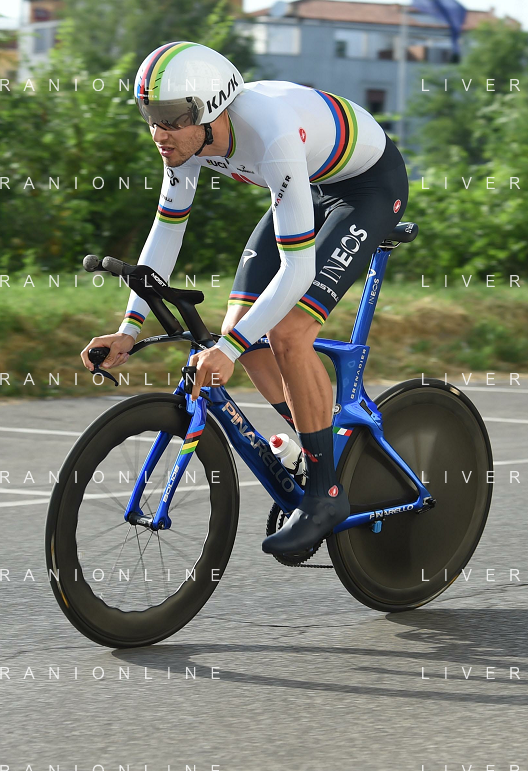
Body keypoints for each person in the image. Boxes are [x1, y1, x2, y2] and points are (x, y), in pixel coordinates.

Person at [80, 41, 409, 555]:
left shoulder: (269, 131)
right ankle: (321, 445)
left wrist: (227, 350)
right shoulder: (185, 142)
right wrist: (129, 329)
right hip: (308, 182)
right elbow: (167, 230)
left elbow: (298, 270)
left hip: (367, 188)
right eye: (150, 115)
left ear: (211, 109)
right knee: (245, 331)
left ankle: (326, 494)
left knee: (287, 331)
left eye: (171, 117)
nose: (159, 133)